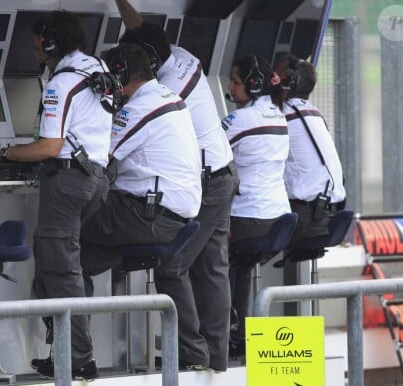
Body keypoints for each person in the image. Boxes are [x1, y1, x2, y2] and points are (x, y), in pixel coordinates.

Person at [0, 10, 112, 380]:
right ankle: (63, 352)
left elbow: (50, 146)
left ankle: (80, 360)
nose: (36, 56)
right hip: (96, 179)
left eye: (38, 48)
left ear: (50, 44)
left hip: (67, 182)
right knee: (58, 270)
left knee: (61, 273)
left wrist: (3, 153)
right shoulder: (96, 69)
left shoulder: (60, 85)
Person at [112, 0, 239, 372]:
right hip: (222, 172)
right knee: (212, 269)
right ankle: (214, 357)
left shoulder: (164, 88)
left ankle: (192, 355)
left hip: (210, 182)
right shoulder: (180, 55)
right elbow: (146, 32)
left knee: (173, 266)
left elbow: (134, 128)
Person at [80, 43, 202, 358]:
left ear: (120, 72)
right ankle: (193, 352)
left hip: (147, 217)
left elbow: (97, 156)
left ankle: (76, 354)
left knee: (65, 244)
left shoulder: (138, 109)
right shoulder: (170, 97)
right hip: (173, 218)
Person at [221, 55, 290, 359]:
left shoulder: (238, 120)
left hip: (249, 219)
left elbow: (207, 155)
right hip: (278, 219)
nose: (230, 87)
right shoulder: (278, 115)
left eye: (235, 81)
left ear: (254, 83)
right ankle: (238, 330)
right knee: (242, 262)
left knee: (204, 255)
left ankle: (210, 333)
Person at [274, 55, 346, 258]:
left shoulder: (283, 115)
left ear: (287, 83)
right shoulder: (314, 114)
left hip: (308, 220)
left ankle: (245, 290)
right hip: (328, 216)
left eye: (276, 76)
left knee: (231, 237)